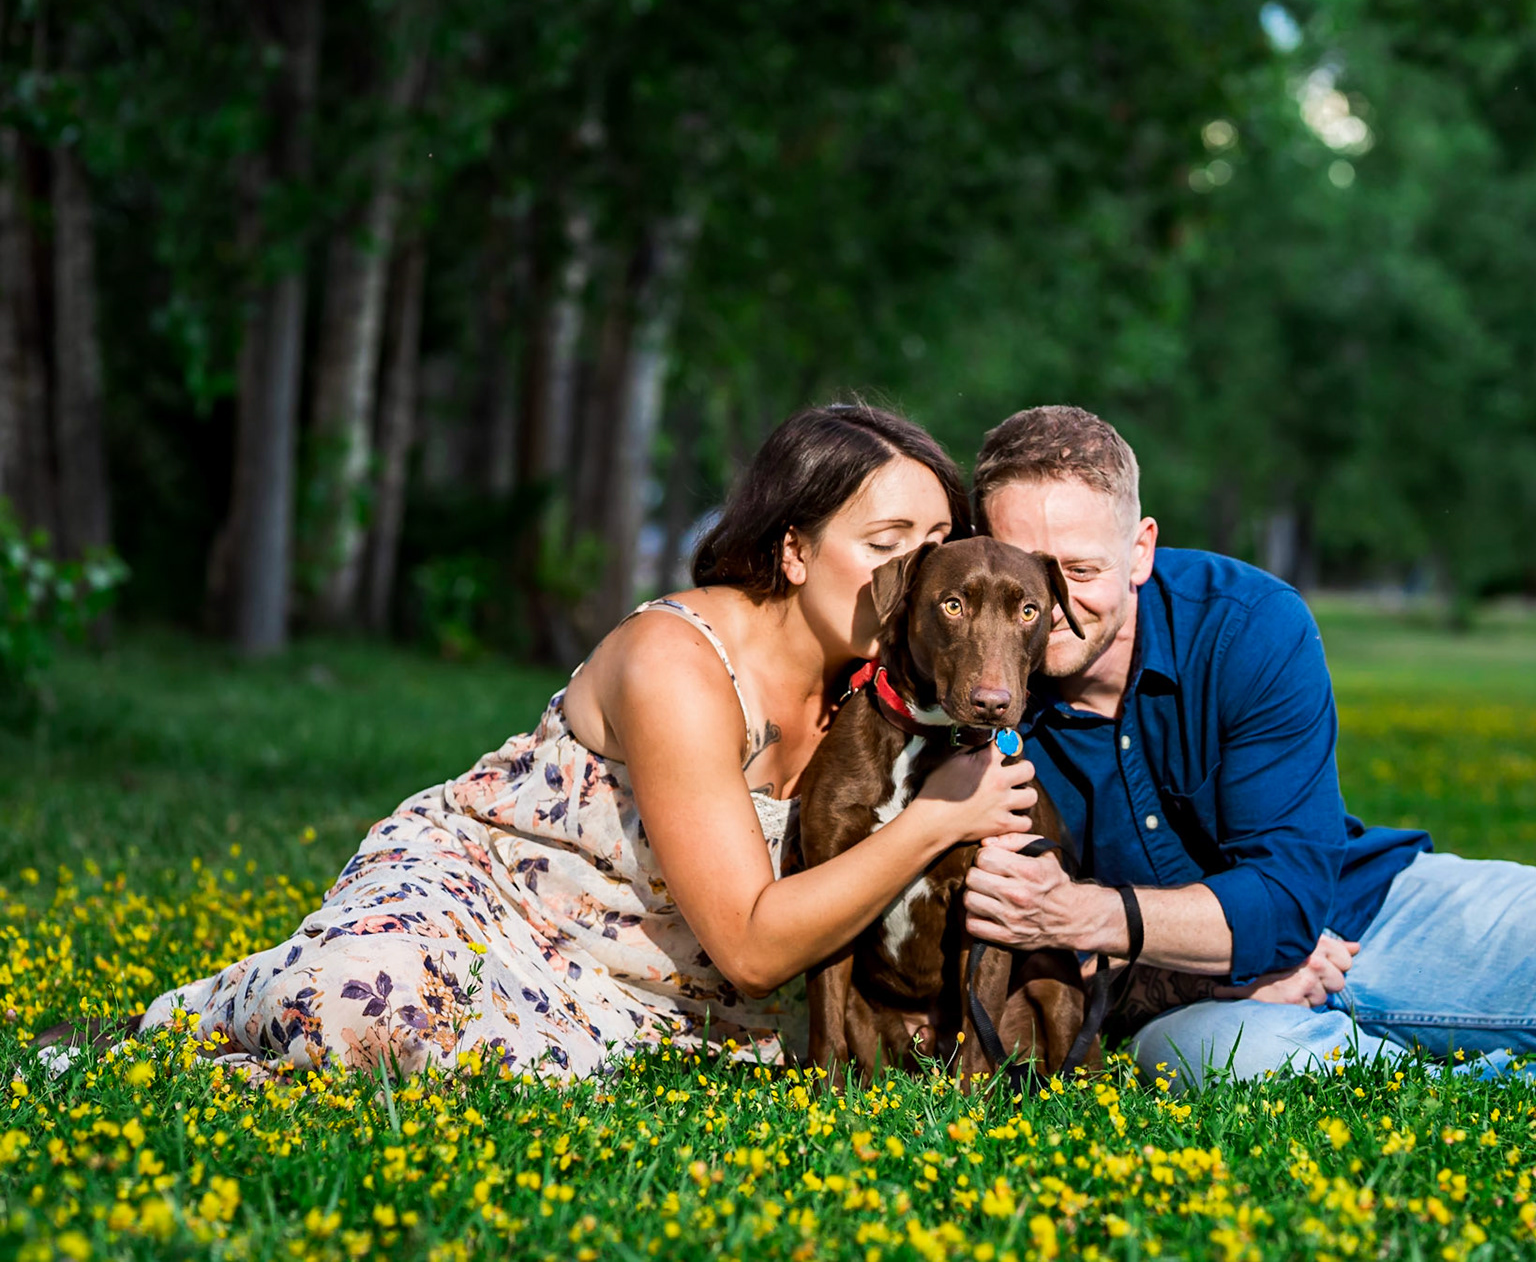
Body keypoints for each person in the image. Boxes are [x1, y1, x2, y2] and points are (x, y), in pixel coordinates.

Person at [959, 405, 1536, 1086]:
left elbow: (1290, 898)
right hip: (1197, 1010)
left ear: (1141, 551)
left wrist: (1083, 916)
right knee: (1215, 1061)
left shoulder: (1248, 623)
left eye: (1079, 568)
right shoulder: (970, 704)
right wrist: (1191, 965)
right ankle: (1476, 1076)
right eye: (1017, 569)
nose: (1047, 603)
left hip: (1381, 903)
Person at [91, 405, 1040, 1080]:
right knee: (367, 1006)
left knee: (461, 1072)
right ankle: (183, 1022)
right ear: (794, 550)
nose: (915, 570)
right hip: (488, 908)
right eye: (887, 542)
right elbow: (753, 945)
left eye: (934, 544)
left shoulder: (894, 698)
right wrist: (928, 823)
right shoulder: (678, 660)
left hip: (663, 1005)